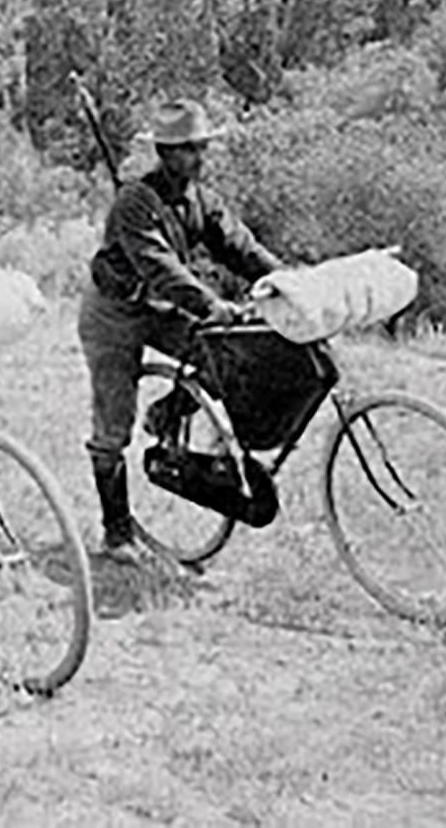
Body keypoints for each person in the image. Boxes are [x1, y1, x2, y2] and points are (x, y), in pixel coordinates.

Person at [80, 99, 282, 561]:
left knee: (224, 356)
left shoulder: (200, 200)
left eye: (201, 148)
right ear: (166, 152)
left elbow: (240, 247)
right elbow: (160, 268)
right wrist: (212, 305)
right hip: (113, 314)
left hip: (160, 307)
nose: (199, 157)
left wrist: (286, 282)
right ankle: (116, 534)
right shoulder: (134, 203)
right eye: (190, 149)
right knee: (112, 427)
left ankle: (169, 411)